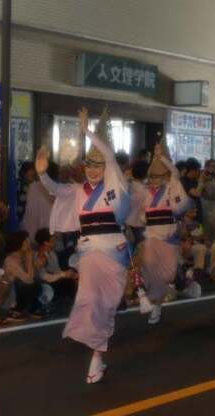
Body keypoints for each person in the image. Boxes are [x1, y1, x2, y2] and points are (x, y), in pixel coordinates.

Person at [37, 107, 130, 384]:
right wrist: (42, 173)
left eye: (98, 165)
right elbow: (54, 188)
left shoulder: (117, 188)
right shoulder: (78, 192)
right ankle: (97, 356)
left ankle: (98, 352)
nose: (92, 170)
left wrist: (87, 130)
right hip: (89, 254)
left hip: (115, 254)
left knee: (108, 305)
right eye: (89, 165)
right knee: (90, 301)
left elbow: (111, 159)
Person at [138, 139, 191, 324]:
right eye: (152, 176)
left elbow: (175, 173)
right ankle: (155, 304)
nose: (154, 180)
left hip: (169, 241)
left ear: (166, 176)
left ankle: (163, 295)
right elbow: (140, 215)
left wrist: (162, 158)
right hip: (152, 239)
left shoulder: (171, 188)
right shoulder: (146, 192)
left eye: (159, 176)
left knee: (167, 275)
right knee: (150, 268)